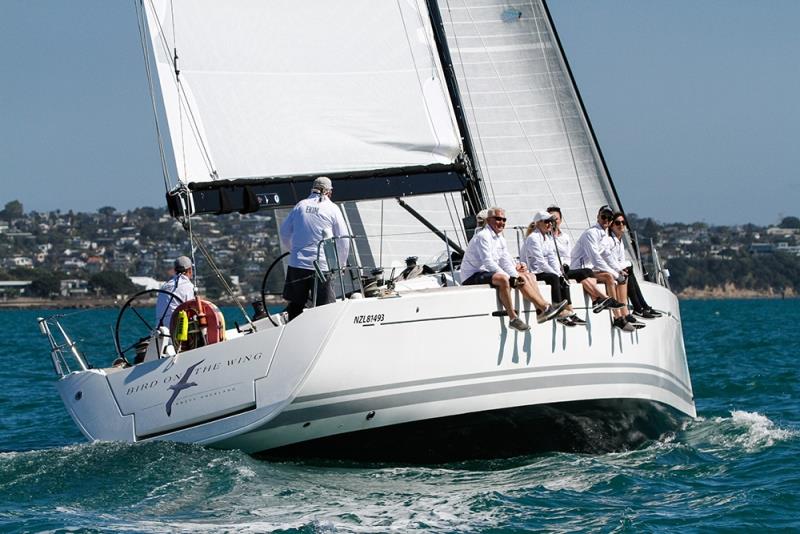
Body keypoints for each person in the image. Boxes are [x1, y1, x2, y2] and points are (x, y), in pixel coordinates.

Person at [460, 207, 567, 331]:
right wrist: (510, 277)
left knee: (527, 276)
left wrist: (515, 275)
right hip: (472, 275)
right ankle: (513, 318)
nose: (502, 222)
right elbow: (488, 262)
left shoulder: (500, 238)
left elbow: (505, 261)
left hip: (487, 272)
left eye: (504, 219)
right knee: (503, 278)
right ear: (489, 220)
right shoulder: (483, 236)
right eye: (498, 219)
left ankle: (541, 310)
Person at [279, 176, 350, 321]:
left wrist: (295, 251)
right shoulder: (332, 209)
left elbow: (284, 232)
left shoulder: (300, 205)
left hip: (297, 264)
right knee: (324, 308)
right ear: (329, 192)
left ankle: (294, 334)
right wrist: (341, 264)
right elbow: (343, 240)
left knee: (296, 305)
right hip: (322, 267)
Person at [571, 205, 634, 332]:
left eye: (609, 217)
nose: (606, 219)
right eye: (603, 216)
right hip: (578, 270)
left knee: (616, 277)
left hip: (589, 270)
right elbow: (596, 259)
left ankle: (621, 315)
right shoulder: (591, 233)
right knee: (609, 277)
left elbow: (608, 256)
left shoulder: (604, 235)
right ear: (598, 217)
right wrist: (615, 274)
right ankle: (613, 311)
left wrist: (618, 270)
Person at [546, 206, 618, 314]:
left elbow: (568, 256)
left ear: (561, 220)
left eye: (556, 219)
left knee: (588, 271)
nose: (553, 221)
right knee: (587, 272)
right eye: (550, 219)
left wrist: (618, 271)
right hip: (555, 270)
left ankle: (598, 301)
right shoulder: (544, 237)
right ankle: (604, 299)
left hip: (566, 268)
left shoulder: (565, 236)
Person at [520, 210, 585, 327]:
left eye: (550, 222)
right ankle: (558, 309)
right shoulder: (533, 238)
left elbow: (552, 258)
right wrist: (555, 273)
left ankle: (567, 310)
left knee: (562, 278)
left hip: (543, 270)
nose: (550, 224)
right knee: (554, 277)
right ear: (538, 223)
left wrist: (559, 272)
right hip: (534, 271)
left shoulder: (547, 238)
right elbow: (540, 261)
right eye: (546, 222)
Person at [607, 212, 661, 321]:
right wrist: (627, 265)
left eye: (623, 222)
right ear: (611, 225)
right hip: (609, 270)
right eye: (617, 223)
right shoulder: (609, 240)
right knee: (629, 270)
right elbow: (609, 261)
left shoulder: (619, 240)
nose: (621, 225)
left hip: (617, 270)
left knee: (629, 271)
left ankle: (641, 307)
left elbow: (620, 261)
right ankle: (640, 307)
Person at [155, 256, 196, 329]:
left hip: (160, 330)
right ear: (190, 270)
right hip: (177, 331)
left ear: (175, 270)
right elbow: (192, 311)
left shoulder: (165, 286)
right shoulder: (189, 286)